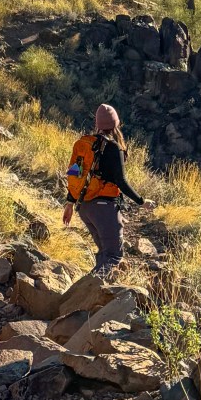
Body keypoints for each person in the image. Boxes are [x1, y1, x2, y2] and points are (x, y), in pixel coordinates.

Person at [63, 103, 144, 273]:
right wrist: (141, 201)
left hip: (85, 208)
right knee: (113, 257)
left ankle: (94, 295)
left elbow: (74, 174)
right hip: (103, 208)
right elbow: (121, 181)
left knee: (104, 254)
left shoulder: (84, 144)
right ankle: (88, 294)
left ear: (98, 124)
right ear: (116, 124)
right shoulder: (113, 147)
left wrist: (70, 203)